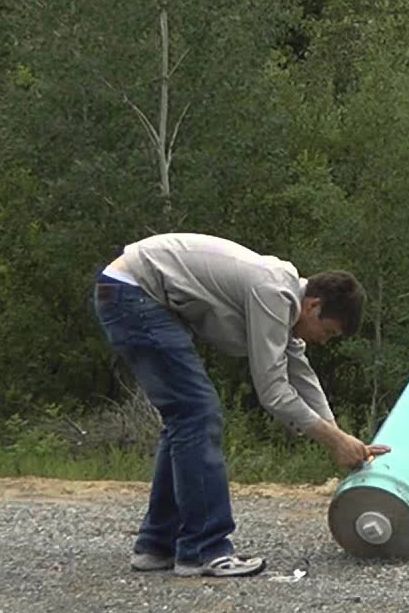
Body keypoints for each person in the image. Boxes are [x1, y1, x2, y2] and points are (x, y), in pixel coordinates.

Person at [90, 232, 390, 578]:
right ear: (313, 305)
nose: (324, 341)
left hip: (130, 291)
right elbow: (274, 391)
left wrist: (341, 437)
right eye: (329, 332)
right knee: (197, 414)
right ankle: (204, 550)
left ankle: (158, 545)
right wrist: (334, 441)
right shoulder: (274, 293)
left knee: (185, 419)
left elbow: (300, 373)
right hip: (134, 292)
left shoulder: (286, 299)